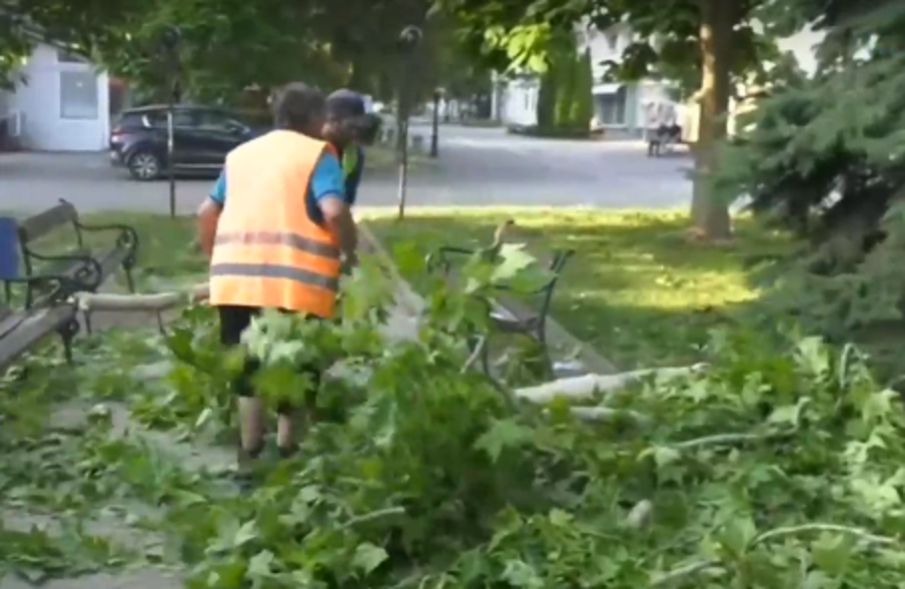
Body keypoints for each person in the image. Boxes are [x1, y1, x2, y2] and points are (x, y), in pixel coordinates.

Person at [195, 82, 358, 467]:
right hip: (297, 285)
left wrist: (216, 259)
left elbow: (205, 212)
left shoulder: (240, 155)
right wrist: (349, 253)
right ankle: (288, 455)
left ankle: (249, 455)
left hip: (235, 283)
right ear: (317, 118)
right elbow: (333, 210)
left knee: (248, 368)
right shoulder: (318, 154)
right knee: (297, 369)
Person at [322, 89, 372, 206]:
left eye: (359, 128)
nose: (355, 133)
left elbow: (345, 202)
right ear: (332, 121)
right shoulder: (309, 147)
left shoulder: (354, 154)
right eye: (351, 127)